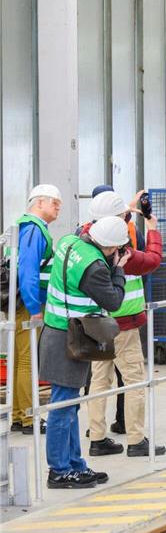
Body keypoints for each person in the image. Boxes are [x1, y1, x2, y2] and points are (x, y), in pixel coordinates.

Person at [41, 215, 129, 488]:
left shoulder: (69, 241)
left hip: (56, 332)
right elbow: (114, 301)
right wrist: (119, 270)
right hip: (70, 338)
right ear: (111, 247)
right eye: (117, 249)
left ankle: (75, 465)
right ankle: (59, 470)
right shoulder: (96, 268)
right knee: (62, 406)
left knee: (69, 404)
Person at [81, 191, 165, 458]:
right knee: (134, 381)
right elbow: (152, 260)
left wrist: (128, 208)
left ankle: (97, 437)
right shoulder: (119, 250)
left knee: (99, 380)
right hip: (123, 324)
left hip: (94, 322)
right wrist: (152, 228)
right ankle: (136, 440)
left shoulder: (84, 239)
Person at [11, 184, 62, 436]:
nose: (58, 207)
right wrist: (33, 307)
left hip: (22, 302)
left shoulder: (25, 226)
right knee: (27, 359)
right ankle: (28, 417)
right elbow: (28, 269)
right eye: (54, 202)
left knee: (21, 357)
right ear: (39, 203)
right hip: (29, 304)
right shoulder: (33, 229)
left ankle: (21, 414)